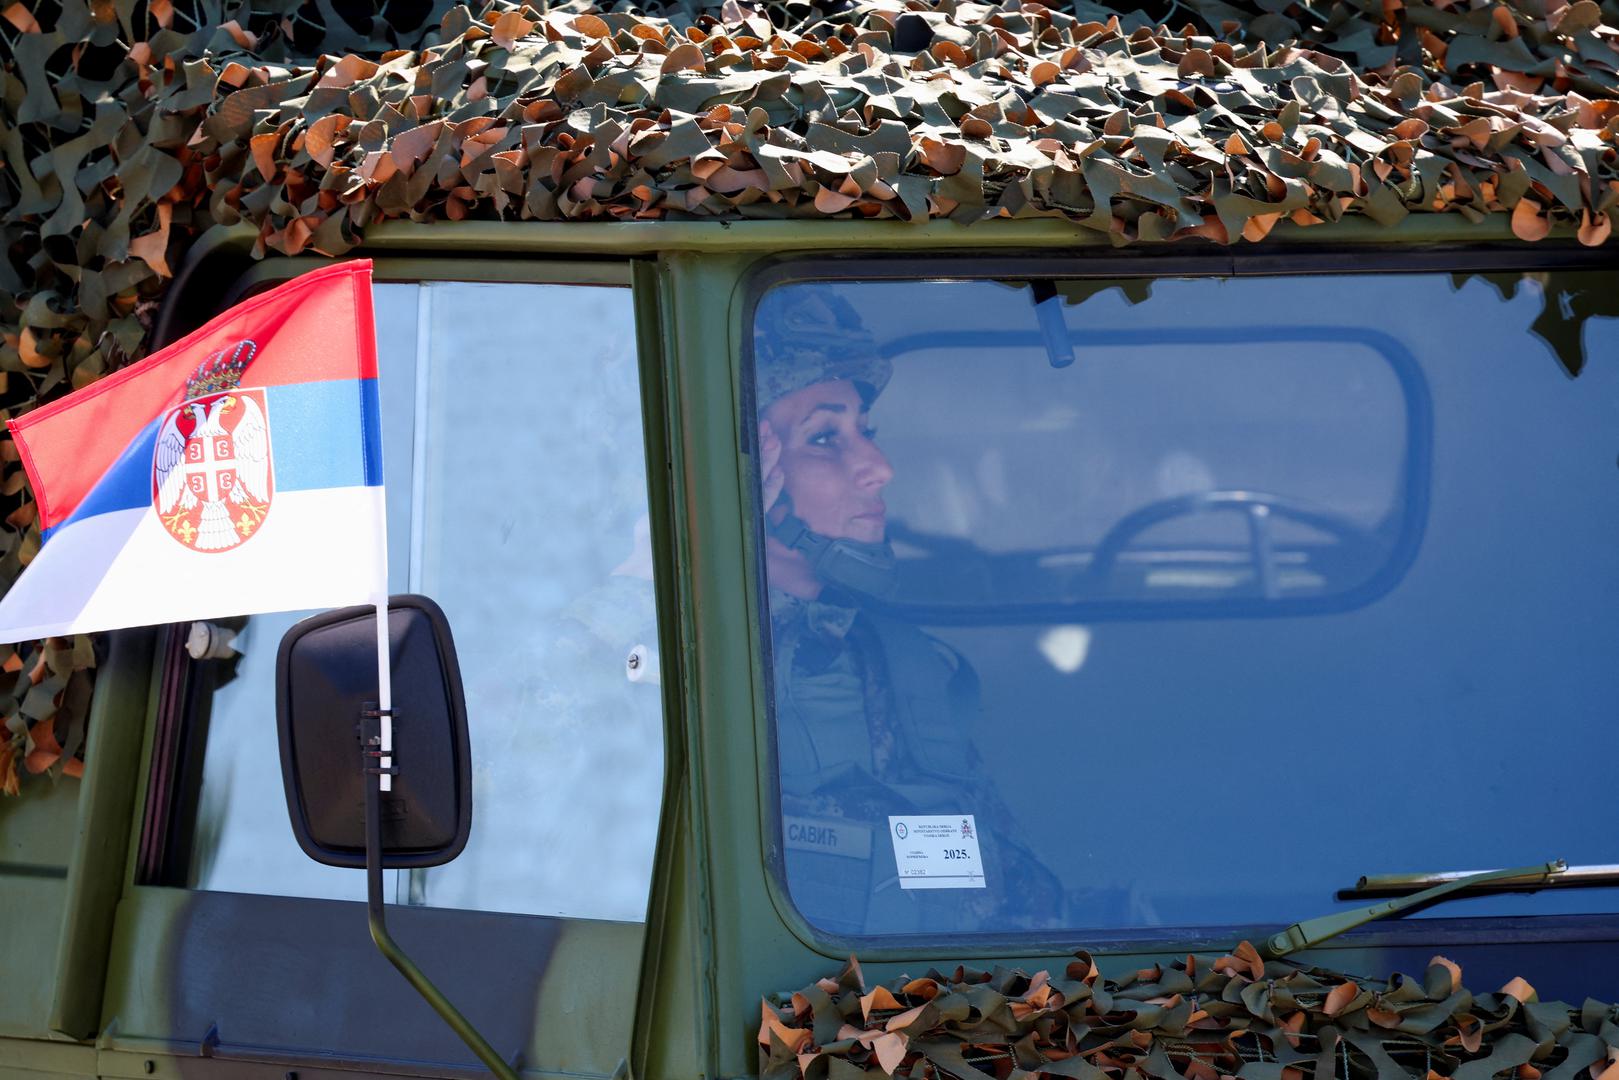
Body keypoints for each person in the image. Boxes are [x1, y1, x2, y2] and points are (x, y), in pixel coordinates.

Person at [753, 288, 1061, 936]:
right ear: (747, 468)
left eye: (865, 433)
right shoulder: (667, 654)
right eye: (824, 438)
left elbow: (1009, 899)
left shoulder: (895, 659)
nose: (879, 467)